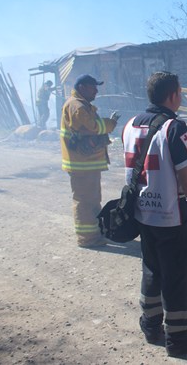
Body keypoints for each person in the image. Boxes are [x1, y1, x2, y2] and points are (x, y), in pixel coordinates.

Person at [122, 71, 187, 357]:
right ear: (173, 95)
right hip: (170, 215)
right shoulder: (175, 127)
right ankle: (178, 338)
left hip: (142, 214)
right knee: (177, 276)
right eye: (180, 93)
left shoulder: (130, 125)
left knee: (152, 270)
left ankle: (151, 326)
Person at [60, 74, 120, 247]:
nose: (96, 90)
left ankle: (94, 234)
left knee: (92, 199)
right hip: (82, 164)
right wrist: (110, 123)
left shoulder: (80, 104)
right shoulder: (77, 106)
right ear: (82, 88)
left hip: (86, 163)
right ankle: (87, 238)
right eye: (93, 87)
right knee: (85, 201)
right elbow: (94, 127)